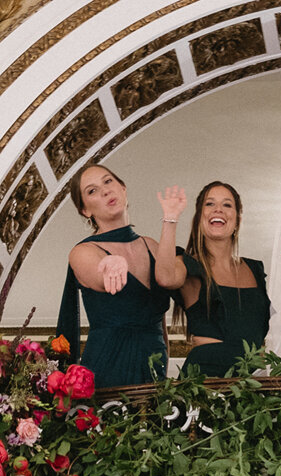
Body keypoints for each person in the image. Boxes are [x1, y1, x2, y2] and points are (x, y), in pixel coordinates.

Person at [57, 164, 185, 389]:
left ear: (123, 188)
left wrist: (170, 218)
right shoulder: (82, 252)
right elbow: (99, 274)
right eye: (92, 191)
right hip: (109, 367)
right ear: (85, 210)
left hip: (155, 368)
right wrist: (109, 263)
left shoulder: (152, 246)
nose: (105, 190)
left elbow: (160, 316)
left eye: (108, 182)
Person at [170, 181, 270, 376]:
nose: (218, 209)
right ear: (199, 217)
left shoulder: (255, 269)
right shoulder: (186, 264)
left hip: (253, 379)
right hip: (207, 375)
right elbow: (165, 278)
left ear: (238, 219)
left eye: (227, 204)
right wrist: (170, 220)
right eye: (209, 204)